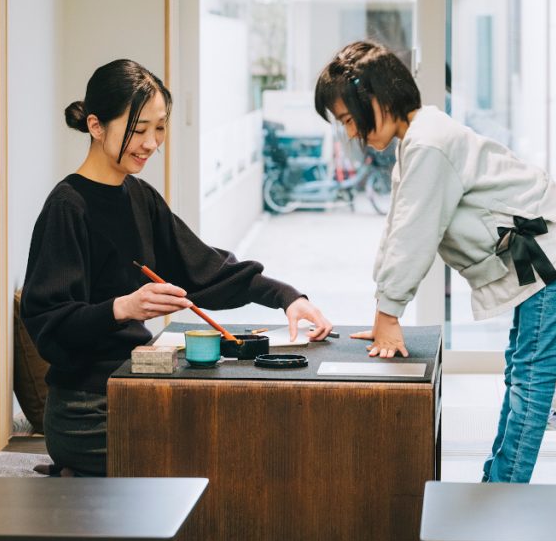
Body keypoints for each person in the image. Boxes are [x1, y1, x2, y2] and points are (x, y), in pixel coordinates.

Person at [21, 59, 333, 476]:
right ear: (95, 125)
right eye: (139, 129)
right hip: (86, 411)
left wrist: (286, 297)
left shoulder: (140, 197)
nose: (151, 143)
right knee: (208, 466)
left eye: (160, 128)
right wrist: (122, 308)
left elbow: (204, 270)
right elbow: (48, 325)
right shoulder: (67, 207)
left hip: (137, 388)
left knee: (245, 442)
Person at [313, 41, 556, 484]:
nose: (350, 134)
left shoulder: (428, 143)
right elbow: (397, 227)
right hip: (543, 247)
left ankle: (503, 493)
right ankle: (498, 486)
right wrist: (383, 311)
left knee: (530, 380)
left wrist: (390, 311)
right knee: (521, 372)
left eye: (349, 119)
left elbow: (414, 236)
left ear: (377, 101)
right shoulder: (415, 140)